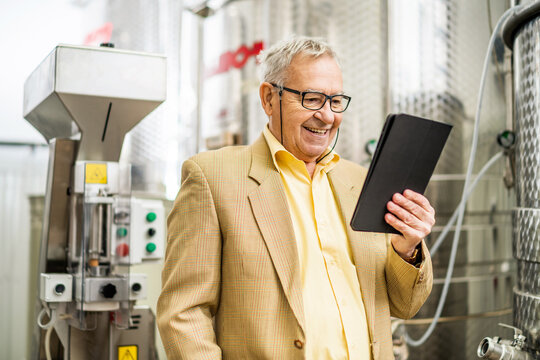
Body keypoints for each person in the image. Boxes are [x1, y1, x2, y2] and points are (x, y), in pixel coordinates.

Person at [157, 36, 434, 360]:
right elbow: (183, 313)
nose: (327, 117)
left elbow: (405, 305)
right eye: (312, 99)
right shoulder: (212, 177)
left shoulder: (359, 181)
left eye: (335, 101)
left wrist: (407, 248)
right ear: (269, 98)